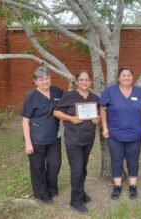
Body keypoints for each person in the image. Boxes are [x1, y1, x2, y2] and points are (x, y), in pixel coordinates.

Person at [53, 71, 100, 213]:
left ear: (91, 82)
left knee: (83, 168)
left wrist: (98, 118)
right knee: (77, 169)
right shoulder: (69, 96)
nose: (84, 82)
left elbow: (99, 114)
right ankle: (75, 201)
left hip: (88, 138)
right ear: (77, 82)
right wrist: (70, 118)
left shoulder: (94, 97)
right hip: (73, 139)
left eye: (87, 79)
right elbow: (56, 112)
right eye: (81, 80)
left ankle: (81, 193)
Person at [99, 67, 141, 201]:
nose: (126, 78)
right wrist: (104, 128)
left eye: (129, 75)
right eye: (123, 75)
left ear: (132, 77)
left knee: (133, 160)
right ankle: (117, 187)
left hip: (135, 133)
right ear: (119, 78)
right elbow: (103, 109)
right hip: (115, 133)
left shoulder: (139, 92)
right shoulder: (110, 91)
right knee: (116, 160)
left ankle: (133, 186)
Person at [22, 66, 64, 204]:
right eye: (41, 79)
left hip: (54, 137)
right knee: (37, 167)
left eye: (47, 78)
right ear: (35, 81)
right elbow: (25, 120)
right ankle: (42, 193)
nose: (45, 81)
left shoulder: (57, 91)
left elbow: (69, 101)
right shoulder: (31, 97)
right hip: (36, 139)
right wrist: (28, 142)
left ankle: (52, 188)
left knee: (55, 164)